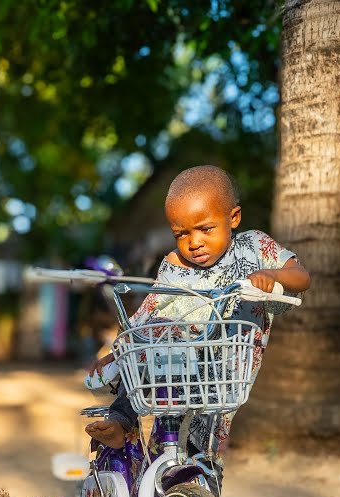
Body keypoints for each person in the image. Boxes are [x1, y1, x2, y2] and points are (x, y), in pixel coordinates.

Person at [83, 165, 312, 456]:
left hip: (225, 375)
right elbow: (144, 315)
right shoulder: (174, 264)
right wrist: (115, 352)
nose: (194, 242)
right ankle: (121, 421)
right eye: (181, 233)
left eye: (205, 229)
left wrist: (274, 276)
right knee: (153, 339)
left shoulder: (254, 247)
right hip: (173, 368)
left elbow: (301, 276)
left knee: (203, 455)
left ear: (234, 218)